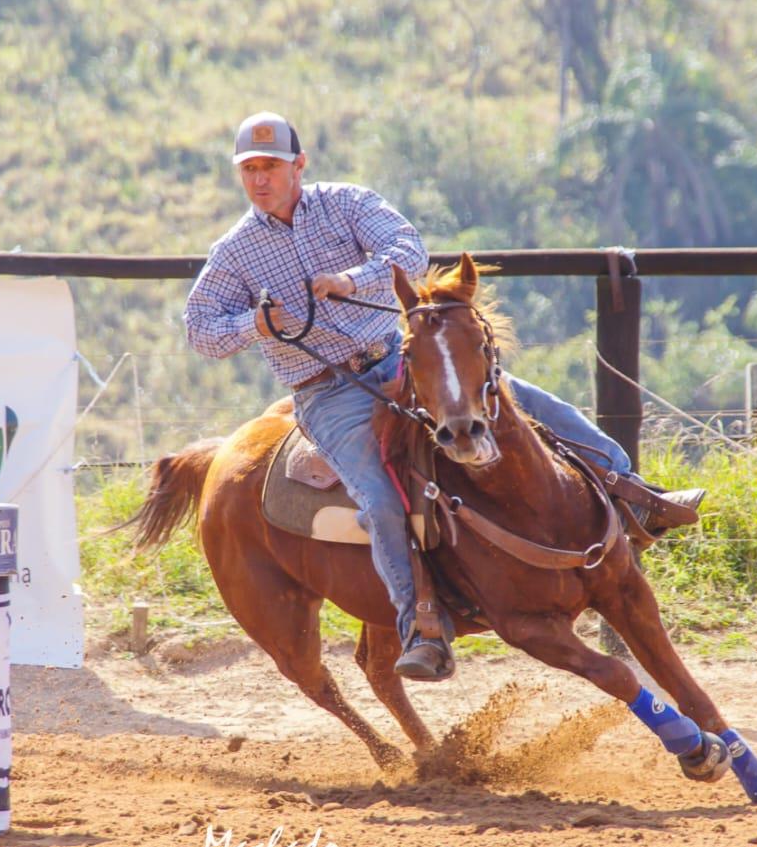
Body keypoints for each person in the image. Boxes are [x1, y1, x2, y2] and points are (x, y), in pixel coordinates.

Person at [183, 111, 704, 681]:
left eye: (271, 166)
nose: (260, 180)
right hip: (328, 394)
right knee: (379, 501)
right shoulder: (235, 251)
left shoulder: (346, 204)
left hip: (398, 359)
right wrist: (255, 324)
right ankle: (420, 627)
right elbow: (200, 329)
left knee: (532, 408)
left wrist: (352, 281)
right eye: (250, 169)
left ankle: (634, 493)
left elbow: (407, 249)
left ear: (299, 166)